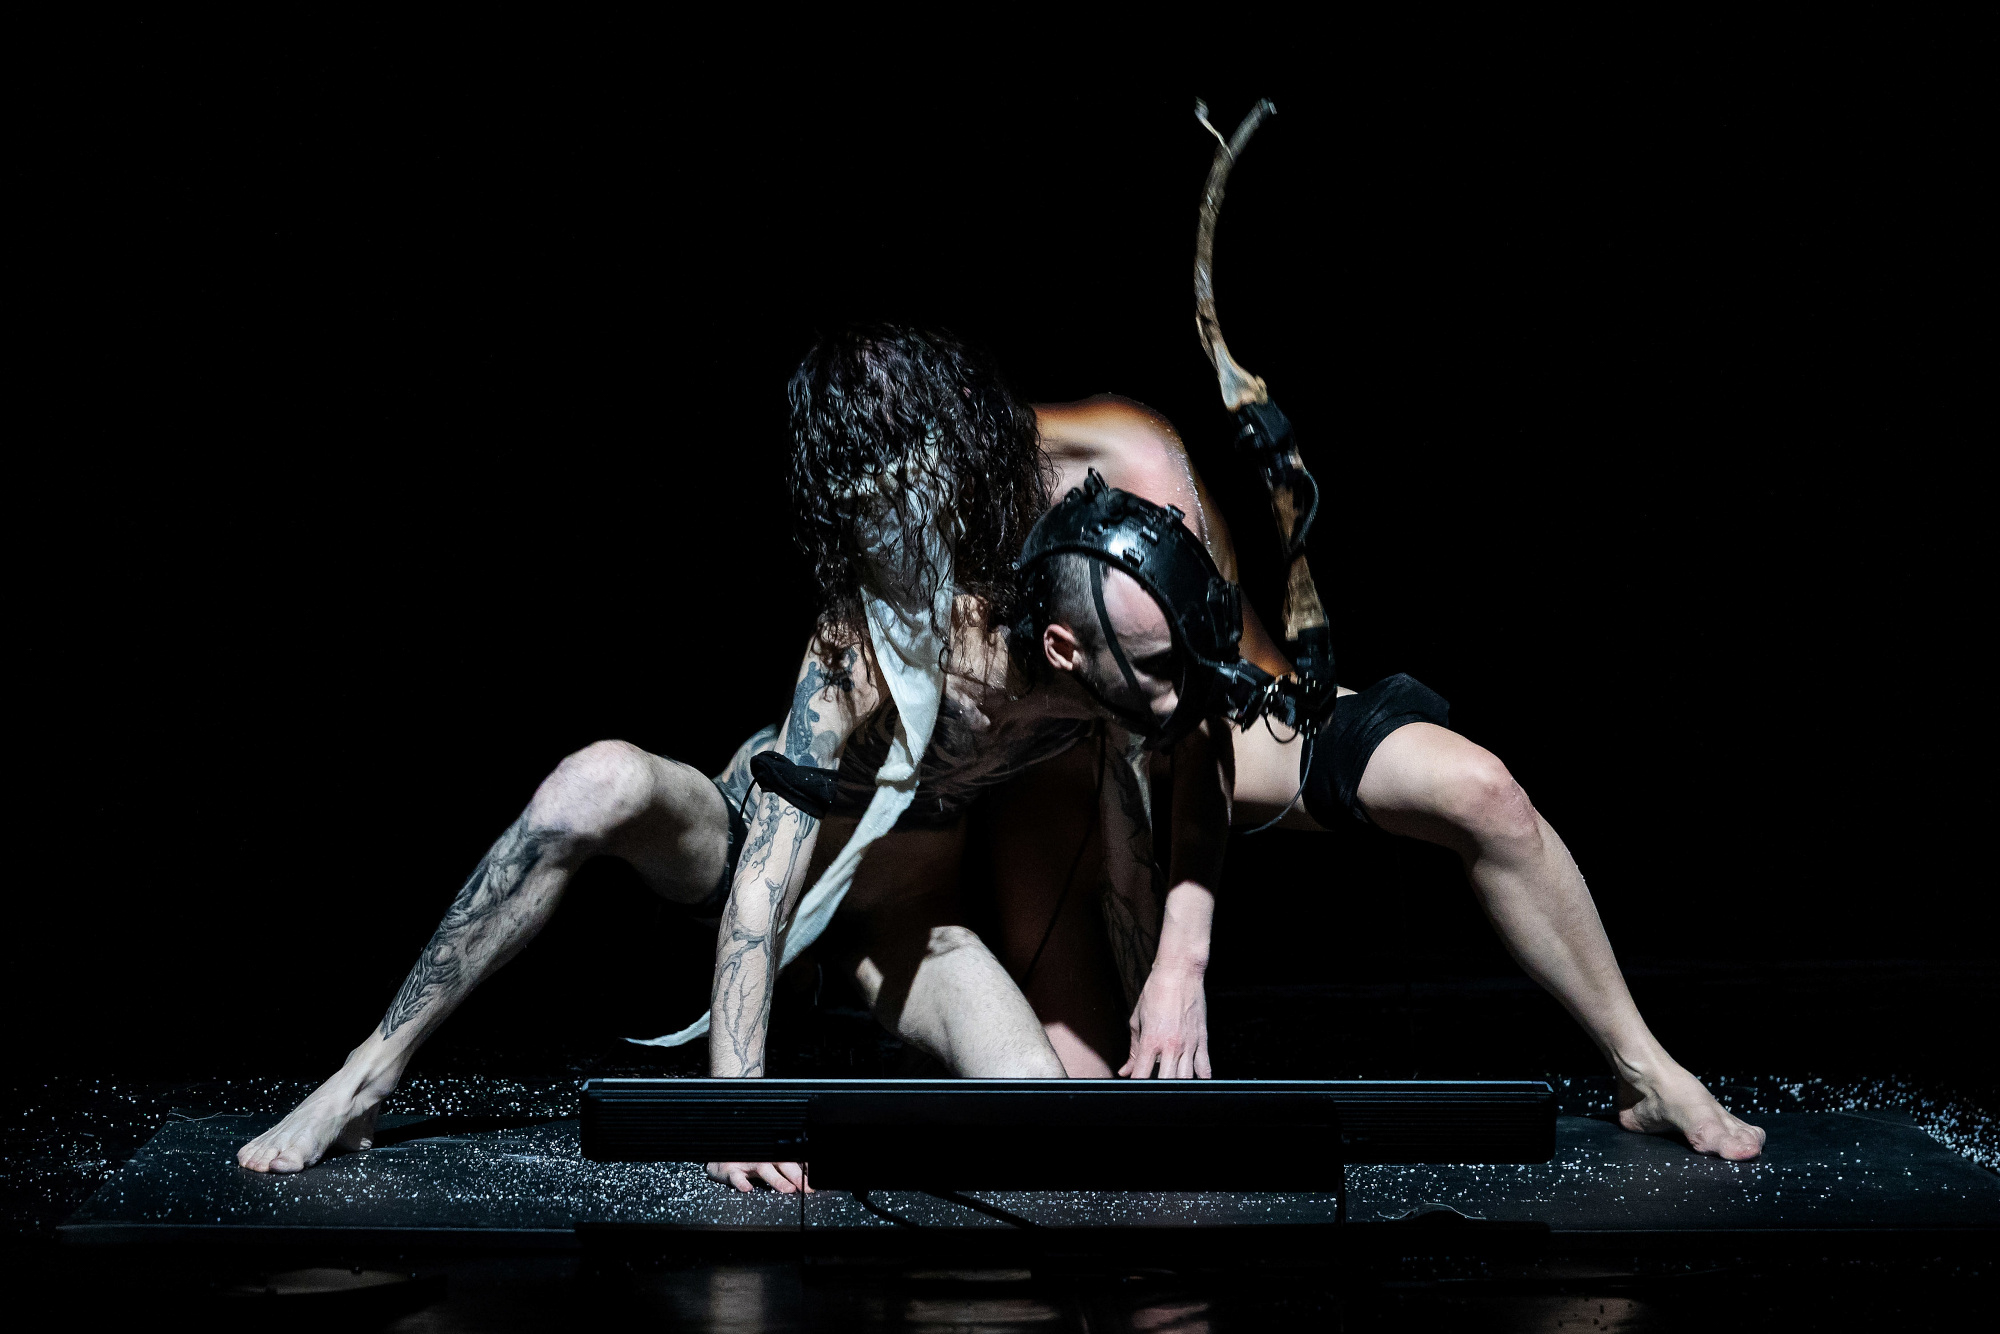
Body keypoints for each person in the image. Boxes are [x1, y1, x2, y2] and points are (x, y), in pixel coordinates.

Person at [235, 328, 1236, 1187]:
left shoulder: (1084, 621)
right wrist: (736, 1100)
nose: (895, 518)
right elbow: (765, 872)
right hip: (752, 858)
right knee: (596, 781)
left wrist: (1166, 980)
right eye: (872, 495)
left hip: (900, 925)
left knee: (1039, 1111)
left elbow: (1140, 813)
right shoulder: (864, 638)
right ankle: (369, 1068)